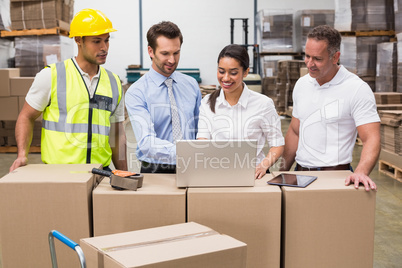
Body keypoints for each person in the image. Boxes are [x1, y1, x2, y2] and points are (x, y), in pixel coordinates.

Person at [9, 9, 127, 172]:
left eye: (107, 41)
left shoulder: (114, 82)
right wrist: (22, 154)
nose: (104, 48)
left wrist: (123, 171)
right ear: (79, 40)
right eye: (97, 41)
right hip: (60, 173)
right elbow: (26, 116)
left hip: (101, 171)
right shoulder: (51, 76)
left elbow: (117, 133)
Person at [280, 25, 380, 191]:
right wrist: (281, 171)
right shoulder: (302, 84)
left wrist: (362, 172)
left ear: (335, 57)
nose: (310, 63)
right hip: (300, 174)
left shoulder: (356, 89)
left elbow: (371, 138)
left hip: (337, 177)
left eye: (317, 59)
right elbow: (295, 131)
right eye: (307, 56)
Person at [197, 44, 285, 179]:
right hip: (217, 174)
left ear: (245, 72)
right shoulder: (207, 102)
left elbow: (277, 144)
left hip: (253, 175)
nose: (226, 78)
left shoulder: (263, 104)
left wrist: (263, 165)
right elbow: (203, 141)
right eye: (221, 71)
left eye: (233, 73)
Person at [125, 21, 201, 173]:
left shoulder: (191, 85)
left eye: (176, 53)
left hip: (193, 165)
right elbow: (147, 143)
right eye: (165, 53)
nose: (172, 60)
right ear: (151, 51)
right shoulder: (137, 92)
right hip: (156, 168)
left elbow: (201, 128)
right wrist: (185, 154)